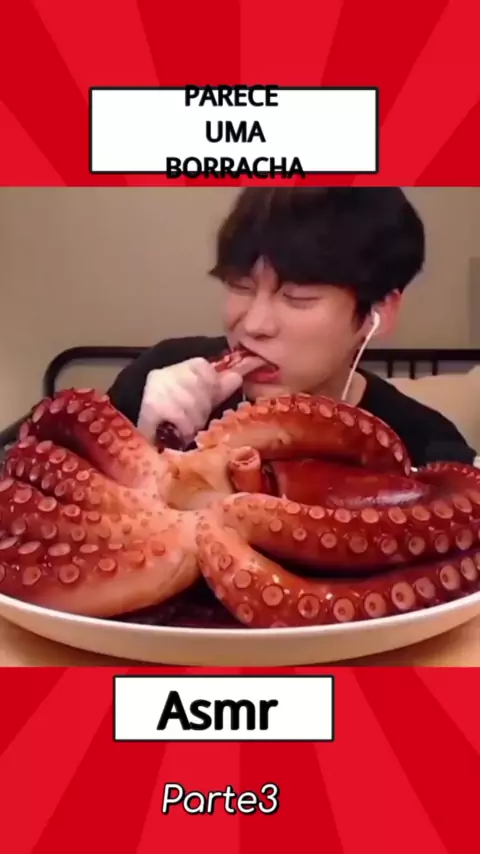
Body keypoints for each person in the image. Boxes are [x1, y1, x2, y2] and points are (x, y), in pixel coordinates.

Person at [107, 187, 476, 467]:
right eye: (240, 287)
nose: (254, 325)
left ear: (378, 312)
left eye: (298, 298)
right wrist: (146, 449)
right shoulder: (155, 382)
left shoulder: (427, 449)